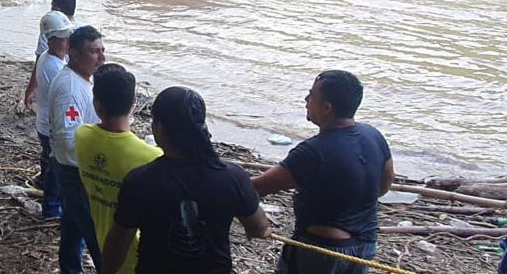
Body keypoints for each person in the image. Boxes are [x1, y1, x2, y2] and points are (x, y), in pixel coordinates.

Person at [102, 87, 270, 274]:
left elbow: (117, 246)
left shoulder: (139, 181)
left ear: (158, 127)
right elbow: (258, 227)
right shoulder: (233, 177)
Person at [252, 70, 394, 274]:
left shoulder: (312, 151)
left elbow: (257, 188)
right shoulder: (373, 135)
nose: (306, 99)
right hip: (366, 243)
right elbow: (385, 185)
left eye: (311, 95)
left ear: (327, 108)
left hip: (324, 250)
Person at [74, 63, 162, 274]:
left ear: (97, 106)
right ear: (132, 105)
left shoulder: (82, 137)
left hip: (103, 242)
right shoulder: (151, 156)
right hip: (137, 251)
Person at [47, 25, 106, 274]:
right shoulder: (70, 90)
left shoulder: (80, 79)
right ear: (75, 53)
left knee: (72, 225)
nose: (102, 57)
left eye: (102, 50)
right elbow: (68, 139)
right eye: (94, 52)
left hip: (71, 169)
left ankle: (70, 269)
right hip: (75, 171)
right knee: (94, 233)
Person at [33, 10, 75, 220]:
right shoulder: (54, 67)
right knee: (56, 169)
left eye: (68, 37)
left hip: (44, 123)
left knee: (50, 163)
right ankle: (51, 209)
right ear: (50, 40)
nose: (67, 41)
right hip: (49, 126)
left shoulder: (49, 58)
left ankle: (50, 202)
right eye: (62, 39)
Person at [25, 0, 77, 109]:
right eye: (65, 38)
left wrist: (30, 89)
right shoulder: (82, 29)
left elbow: (38, 61)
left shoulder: (50, 32)